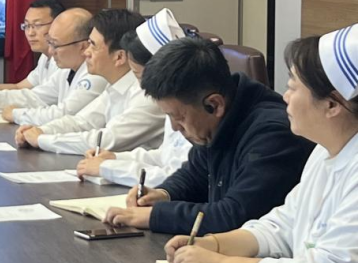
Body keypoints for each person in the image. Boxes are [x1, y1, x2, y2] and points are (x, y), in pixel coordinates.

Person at [165, 27, 358, 263]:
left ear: (332, 104)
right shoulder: (324, 150)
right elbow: (284, 225)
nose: (285, 97)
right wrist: (215, 244)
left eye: (293, 87)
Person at [104, 36, 312, 233]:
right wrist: (163, 194)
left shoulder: (273, 134)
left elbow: (235, 215)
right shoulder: (220, 118)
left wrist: (154, 216)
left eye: (179, 117)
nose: (175, 127)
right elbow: (195, 174)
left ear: (214, 104)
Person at [15, 8, 165, 154]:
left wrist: (42, 139)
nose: (86, 52)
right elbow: (82, 122)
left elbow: (105, 141)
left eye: (93, 45)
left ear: (119, 57)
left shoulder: (146, 95)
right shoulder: (115, 85)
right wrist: (41, 130)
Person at [75, 8, 191, 186]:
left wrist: (108, 168)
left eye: (137, 74)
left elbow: (176, 176)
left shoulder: (187, 107)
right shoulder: (172, 100)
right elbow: (164, 156)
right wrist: (114, 158)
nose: (139, 84)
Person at [0, 8, 106, 125]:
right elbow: (37, 97)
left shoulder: (96, 74)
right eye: (50, 43)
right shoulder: (67, 69)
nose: (50, 51)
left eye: (55, 45)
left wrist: (16, 114)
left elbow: (64, 114)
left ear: (83, 46)